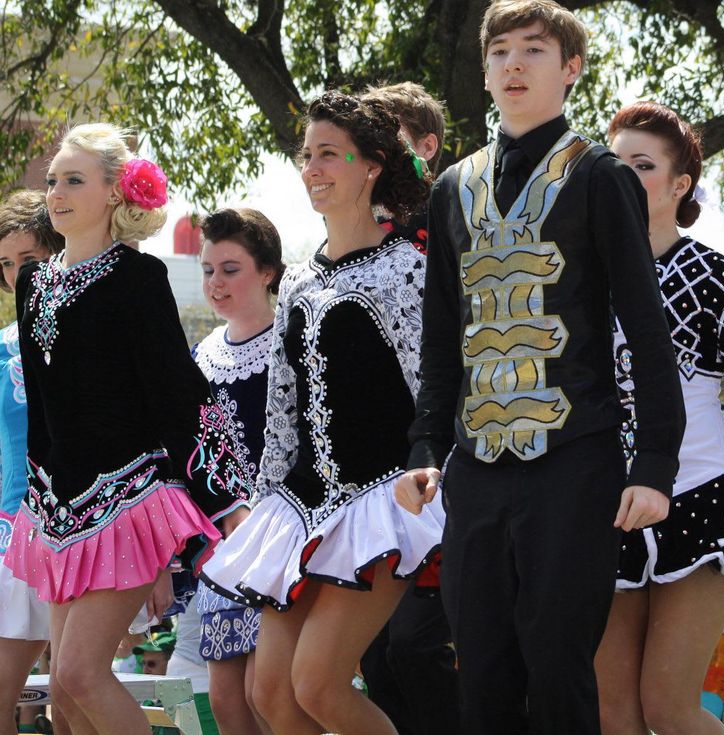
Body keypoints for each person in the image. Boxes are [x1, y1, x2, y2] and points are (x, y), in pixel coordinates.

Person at [395, 2, 685, 732]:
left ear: (571, 68)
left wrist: (653, 463)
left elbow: (648, 332)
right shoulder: (452, 187)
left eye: (534, 50)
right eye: (500, 53)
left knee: (558, 668)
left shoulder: (601, 175)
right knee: (483, 671)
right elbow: (441, 338)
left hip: (573, 459)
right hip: (477, 465)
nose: (514, 65)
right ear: (486, 70)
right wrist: (426, 444)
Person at [200, 90, 442, 735]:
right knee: (271, 697)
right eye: (307, 155)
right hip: (300, 507)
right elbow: (284, 408)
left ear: (371, 166)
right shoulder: (302, 280)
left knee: (319, 685)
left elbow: (435, 390)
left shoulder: (409, 269)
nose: (312, 168)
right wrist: (264, 502)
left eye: (329, 154)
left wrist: (431, 467)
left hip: (382, 503)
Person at [2, 122, 251, 735]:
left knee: (84, 674)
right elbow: (43, 408)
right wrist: (39, 502)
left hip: (131, 499)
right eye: (54, 180)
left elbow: (177, 395)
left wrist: (223, 503)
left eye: (75, 180)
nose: (56, 192)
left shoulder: (137, 279)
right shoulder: (34, 283)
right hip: (57, 506)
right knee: (63, 690)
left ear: (116, 193)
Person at [595, 101, 724, 735]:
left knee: (671, 707)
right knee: (612, 712)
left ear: (680, 184)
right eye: (614, 163)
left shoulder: (720, 273)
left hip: (703, 501)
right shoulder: (574, 277)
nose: (624, 177)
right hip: (602, 509)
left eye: (643, 164)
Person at [358, 82, 460, 735]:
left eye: (386, 139)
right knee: (374, 656)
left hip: (445, 469)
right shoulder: (355, 242)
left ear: (426, 147)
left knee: (418, 647)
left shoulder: (456, 229)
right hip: (369, 481)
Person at [190, 207, 285, 735]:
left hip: (282, 538)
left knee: (266, 695)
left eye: (230, 268)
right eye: (207, 270)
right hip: (222, 550)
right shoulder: (199, 358)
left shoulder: (293, 342)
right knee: (226, 700)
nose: (215, 283)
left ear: (267, 271)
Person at [0, 191, 67, 735]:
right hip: (10, 534)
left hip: (82, 529)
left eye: (28, 262)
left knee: (73, 693)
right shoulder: (0, 350)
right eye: (5, 264)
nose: (15, 276)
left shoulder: (87, 338)